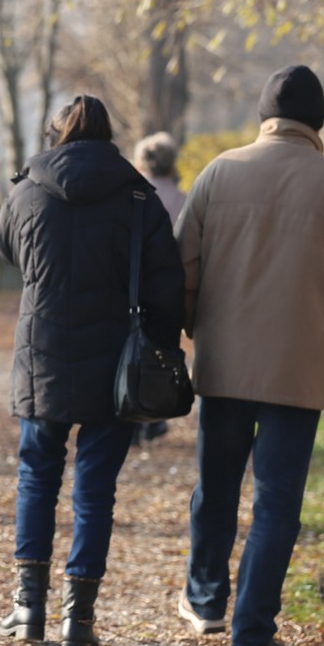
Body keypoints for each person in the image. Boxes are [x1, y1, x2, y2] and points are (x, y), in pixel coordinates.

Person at [176, 64, 324, 646]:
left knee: (215, 486)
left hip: (223, 361)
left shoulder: (219, 173)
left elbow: (181, 270)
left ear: (263, 114)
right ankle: (251, 634)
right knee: (277, 501)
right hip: (299, 370)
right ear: (317, 122)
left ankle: (204, 601)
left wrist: (197, 323)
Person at [0, 95, 184, 646]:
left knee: (37, 477)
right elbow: (166, 284)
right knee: (96, 490)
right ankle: (80, 619)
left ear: (57, 136)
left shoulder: (26, 190)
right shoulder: (137, 196)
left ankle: (29, 608)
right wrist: (163, 347)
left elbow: (8, 247)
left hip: (42, 353)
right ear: (108, 137)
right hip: (114, 361)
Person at [131, 131, 187, 445]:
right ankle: (155, 414)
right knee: (163, 352)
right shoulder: (183, 200)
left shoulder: (133, 194)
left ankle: (130, 412)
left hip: (133, 287)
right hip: (167, 288)